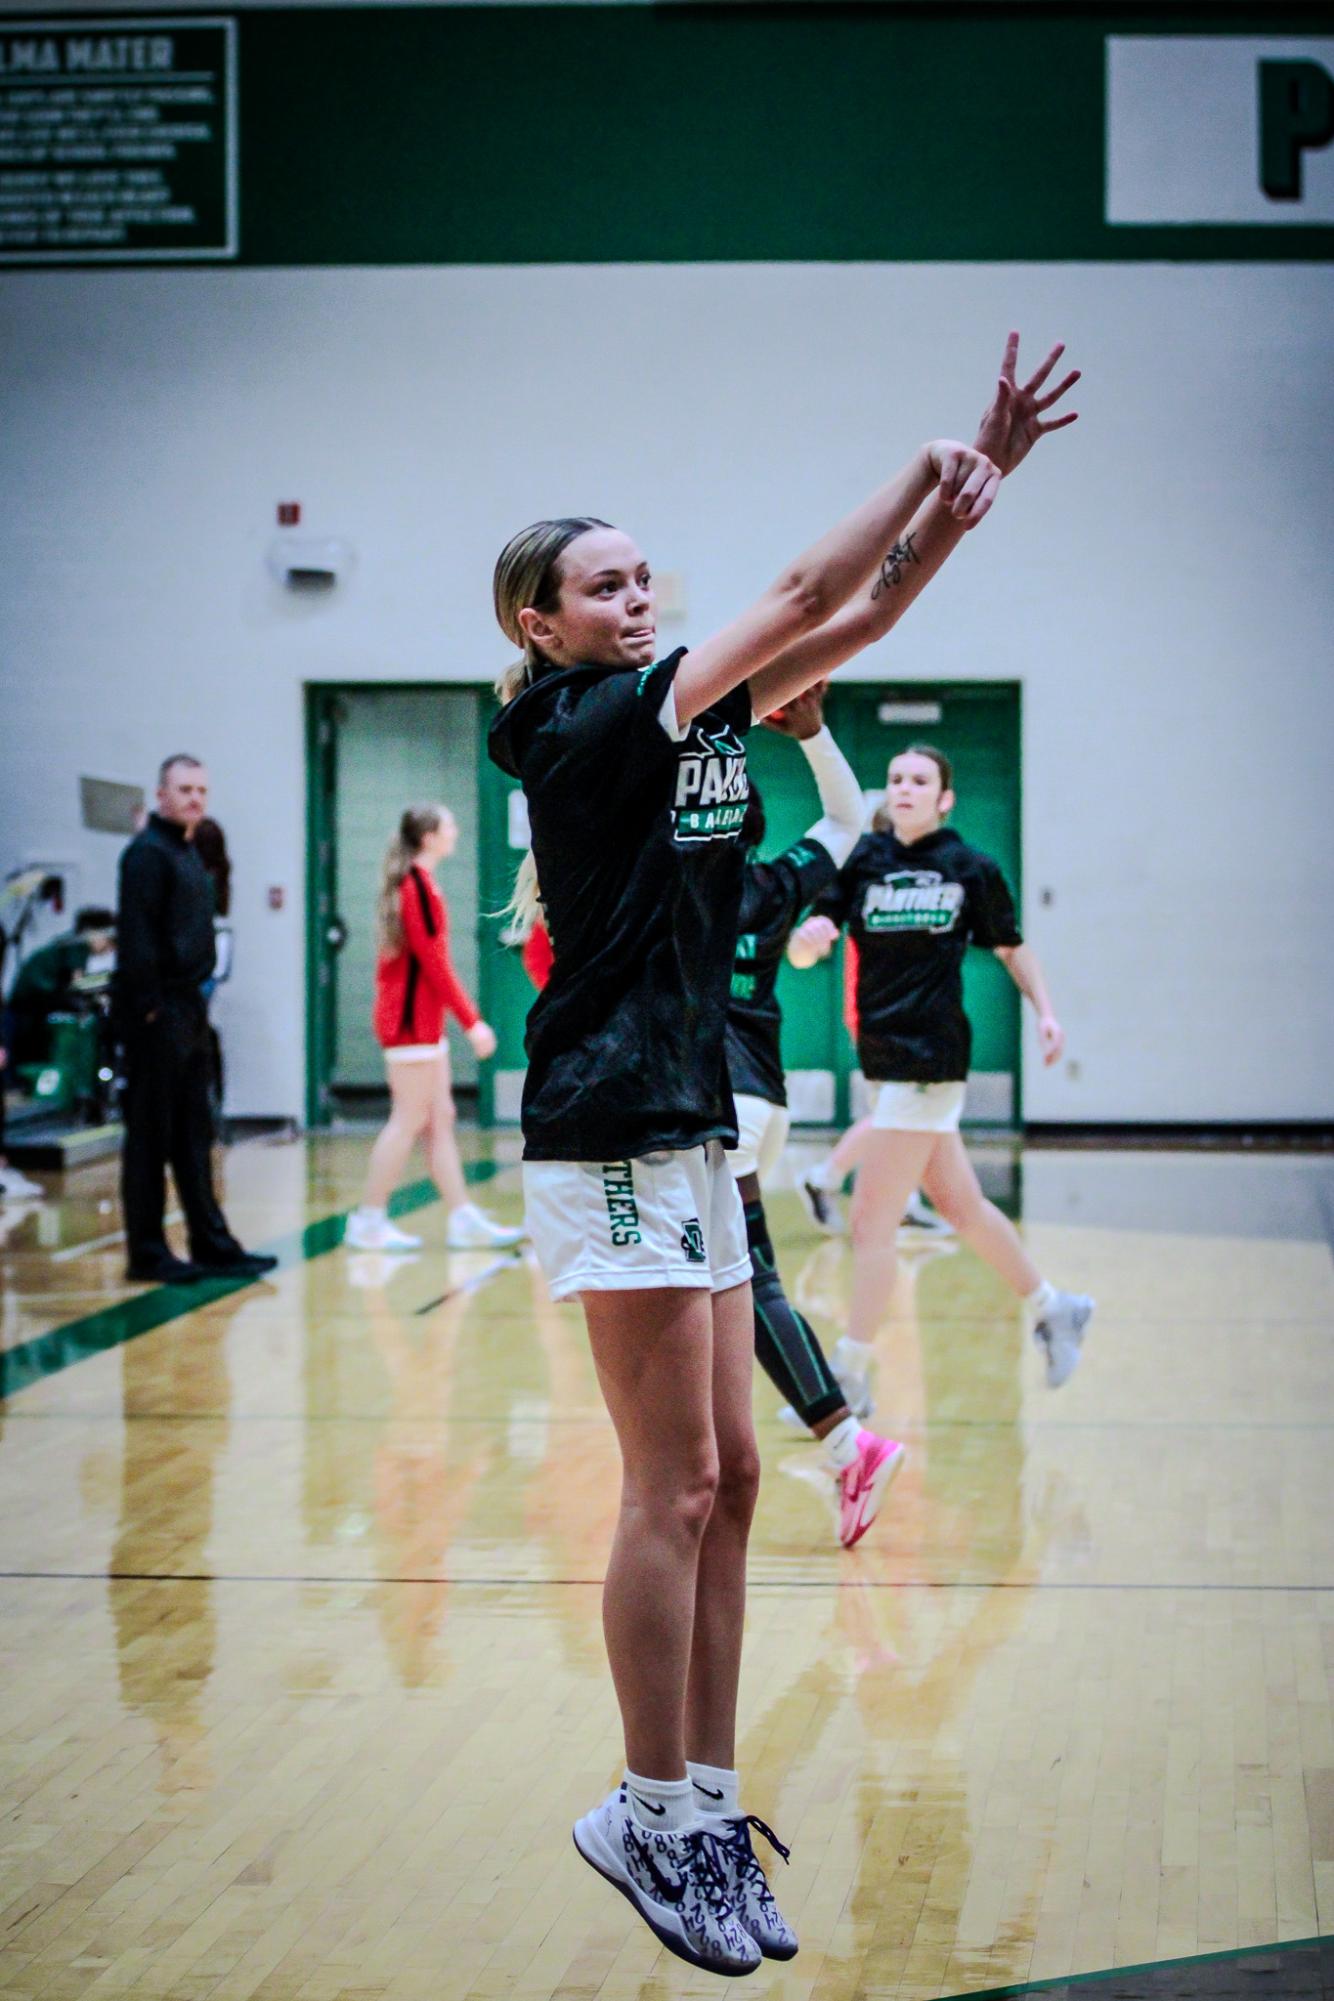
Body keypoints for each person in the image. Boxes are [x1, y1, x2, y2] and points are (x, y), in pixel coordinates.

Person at [486, 368, 1028, 1972]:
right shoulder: (578, 722)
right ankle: (644, 1813)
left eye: (646, 575)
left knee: (729, 1475)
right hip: (614, 1125)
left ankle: (706, 1804)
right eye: (605, 584)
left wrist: (958, 503)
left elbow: (839, 626)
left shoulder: (688, 704)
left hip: (696, 1124)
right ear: (540, 623)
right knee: (670, 1486)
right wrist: (911, 462)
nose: (638, 594)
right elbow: (798, 588)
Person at [790, 740, 1094, 1395]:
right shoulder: (864, 860)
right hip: (882, 1057)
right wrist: (807, 945)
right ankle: (1053, 1305)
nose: (903, 787)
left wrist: (1045, 1010)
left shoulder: (969, 868)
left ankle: (850, 1376)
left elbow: (1012, 948)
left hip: (929, 1062)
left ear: (944, 797)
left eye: (919, 779)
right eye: (895, 777)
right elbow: (817, 932)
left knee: (871, 1225)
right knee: (961, 1206)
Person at [723, 683, 908, 1549]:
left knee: (739, 1283)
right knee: (739, 1277)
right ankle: (831, 1437)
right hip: (760, 1097)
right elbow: (846, 815)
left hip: (708, 1107)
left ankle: (841, 1437)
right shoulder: (769, 883)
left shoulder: (669, 892)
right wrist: (813, 732)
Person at [114, 755, 278, 1285]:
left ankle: (211, 1243)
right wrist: (150, 1007)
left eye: (201, 790)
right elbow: (137, 937)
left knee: (193, 1133)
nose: (194, 798)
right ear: (161, 794)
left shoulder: (185, 851)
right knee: (150, 1136)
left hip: (190, 1010)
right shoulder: (146, 854)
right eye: (183, 789)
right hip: (159, 1012)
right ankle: (147, 1251)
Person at [344, 805, 523, 1253]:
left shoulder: (422, 884)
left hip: (423, 1023)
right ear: (428, 837)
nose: (455, 831)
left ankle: (462, 1216)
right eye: (448, 825)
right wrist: (473, 1022)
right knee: (407, 1120)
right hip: (409, 1026)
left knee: (440, 1118)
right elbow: (434, 962)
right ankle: (368, 1219)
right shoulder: (416, 887)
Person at [7, 906, 116, 1068]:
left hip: (29, 999)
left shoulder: (65, 942)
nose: (109, 945)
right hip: (32, 1000)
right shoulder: (77, 946)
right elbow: (79, 983)